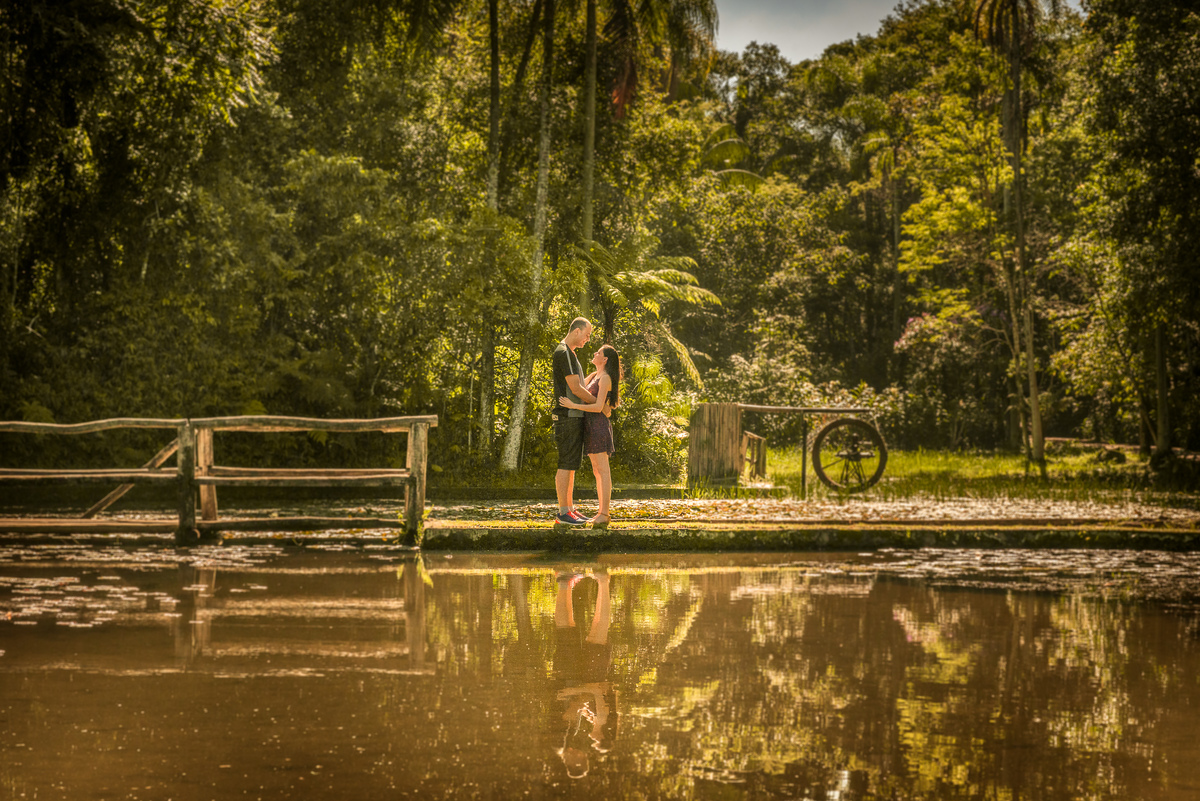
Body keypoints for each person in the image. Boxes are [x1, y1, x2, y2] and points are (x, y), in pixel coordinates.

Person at [558, 344, 620, 526]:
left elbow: (599, 407)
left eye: (598, 352)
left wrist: (574, 406)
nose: (595, 353)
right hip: (590, 427)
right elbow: (577, 389)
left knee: (603, 471)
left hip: (598, 426)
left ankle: (604, 514)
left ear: (605, 359)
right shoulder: (595, 375)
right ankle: (602, 513)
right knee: (596, 470)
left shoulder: (606, 378)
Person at [551, 318, 597, 525]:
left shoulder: (571, 354)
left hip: (574, 416)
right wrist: (598, 404)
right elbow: (576, 390)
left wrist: (595, 376)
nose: (588, 339)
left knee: (571, 465)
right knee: (565, 463)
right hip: (566, 417)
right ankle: (563, 513)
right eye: (587, 335)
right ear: (577, 331)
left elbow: (579, 385)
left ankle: (569, 508)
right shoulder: (565, 352)